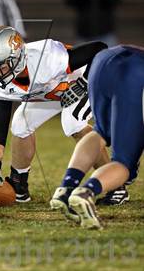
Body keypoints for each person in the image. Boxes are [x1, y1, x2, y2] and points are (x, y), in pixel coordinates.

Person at [0, 26, 111, 202]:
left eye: (0, 66)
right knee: (20, 123)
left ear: (17, 57)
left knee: (73, 123)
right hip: (56, 92)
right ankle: (19, 185)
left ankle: (114, 186)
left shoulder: (46, 59)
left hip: (85, 81)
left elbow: (99, 48)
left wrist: (82, 83)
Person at [50, 45, 144, 229]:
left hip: (103, 61)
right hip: (134, 72)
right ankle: (86, 192)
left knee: (100, 132)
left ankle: (66, 187)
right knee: (124, 163)